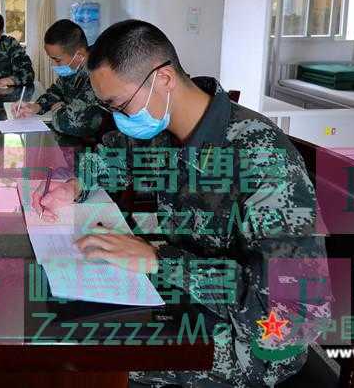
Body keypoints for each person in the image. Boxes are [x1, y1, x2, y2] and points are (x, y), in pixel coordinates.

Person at [32, 19, 331, 387]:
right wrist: (75, 184)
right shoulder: (169, 130)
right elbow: (120, 158)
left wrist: (160, 260)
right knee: (65, 324)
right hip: (186, 298)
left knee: (79, 360)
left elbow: (296, 315)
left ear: (164, 78)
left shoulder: (262, 160)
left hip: (250, 344)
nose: (119, 119)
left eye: (120, 105)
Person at [12, 18, 104, 137]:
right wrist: (36, 106)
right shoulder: (73, 68)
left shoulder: (98, 75)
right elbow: (56, 91)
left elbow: (74, 124)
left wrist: (57, 109)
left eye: (57, 60)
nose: (54, 65)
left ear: (79, 56)